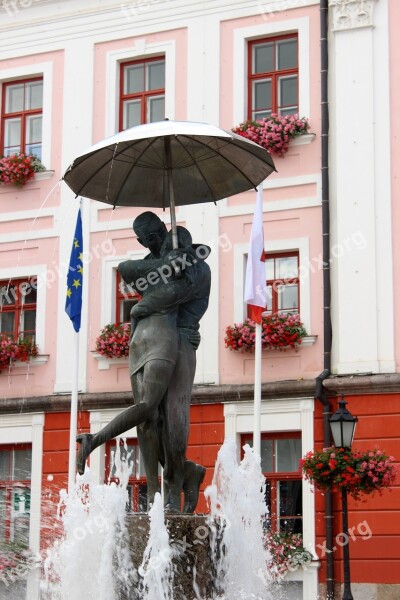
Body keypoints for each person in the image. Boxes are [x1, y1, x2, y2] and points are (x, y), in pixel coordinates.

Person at [77, 212, 211, 513]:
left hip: (181, 342)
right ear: (140, 240)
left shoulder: (196, 265)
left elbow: (170, 295)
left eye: (155, 234)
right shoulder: (160, 265)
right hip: (146, 341)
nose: (152, 241)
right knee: (149, 422)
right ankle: (157, 494)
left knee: (174, 422)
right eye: (146, 238)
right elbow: (127, 270)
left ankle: (175, 487)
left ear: (164, 229)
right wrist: (165, 265)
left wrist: (139, 307)